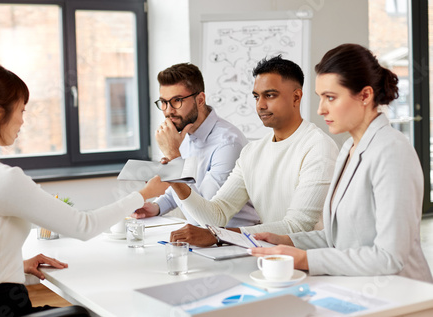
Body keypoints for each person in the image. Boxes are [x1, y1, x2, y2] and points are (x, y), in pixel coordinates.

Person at [0, 60, 169, 316]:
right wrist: (144, 194)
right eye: (21, 110)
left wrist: (15, 266)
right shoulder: (2, 179)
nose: (23, 121)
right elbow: (84, 226)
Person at [249, 43, 433, 283]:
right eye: (320, 98)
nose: (321, 109)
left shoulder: (392, 152)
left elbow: (390, 257)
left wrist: (304, 259)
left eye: (331, 98)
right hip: (358, 286)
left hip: (401, 293)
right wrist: (286, 241)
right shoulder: (349, 147)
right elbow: (339, 239)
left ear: (365, 95)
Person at [168, 56, 339, 246]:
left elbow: (297, 227)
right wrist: (175, 178)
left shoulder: (319, 147)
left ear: (296, 97)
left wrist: (218, 235)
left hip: (311, 263)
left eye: (270, 95)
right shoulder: (252, 152)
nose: (260, 105)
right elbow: (217, 215)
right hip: (269, 257)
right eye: (257, 96)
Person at [132, 63, 260, 227]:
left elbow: (203, 216)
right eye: (163, 102)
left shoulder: (228, 144)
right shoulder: (183, 133)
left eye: (177, 101)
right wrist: (156, 207)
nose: (168, 111)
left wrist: (173, 156)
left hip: (236, 238)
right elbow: (182, 190)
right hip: (208, 238)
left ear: (200, 100)